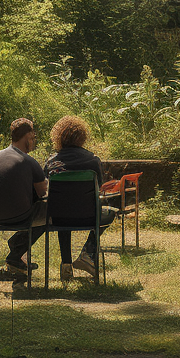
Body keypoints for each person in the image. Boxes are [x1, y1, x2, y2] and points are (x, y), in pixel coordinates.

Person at [43, 116, 117, 282]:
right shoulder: (93, 160)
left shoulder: (51, 161)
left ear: (59, 137)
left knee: (63, 209)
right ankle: (87, 252)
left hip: (57, 218)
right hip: (88, 216)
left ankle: (66, 265)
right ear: (82, 137)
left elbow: (44, 188)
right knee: (110, 213)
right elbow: (99, 187)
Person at [0, 117, 48, 275]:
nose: (33, 143)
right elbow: (42, 193)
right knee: (50, 211)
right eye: (33, 139)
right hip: (18, 217)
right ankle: (15, 255)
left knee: (34, 211)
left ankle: (19, 258)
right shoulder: (28, 161)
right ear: (27, 138)